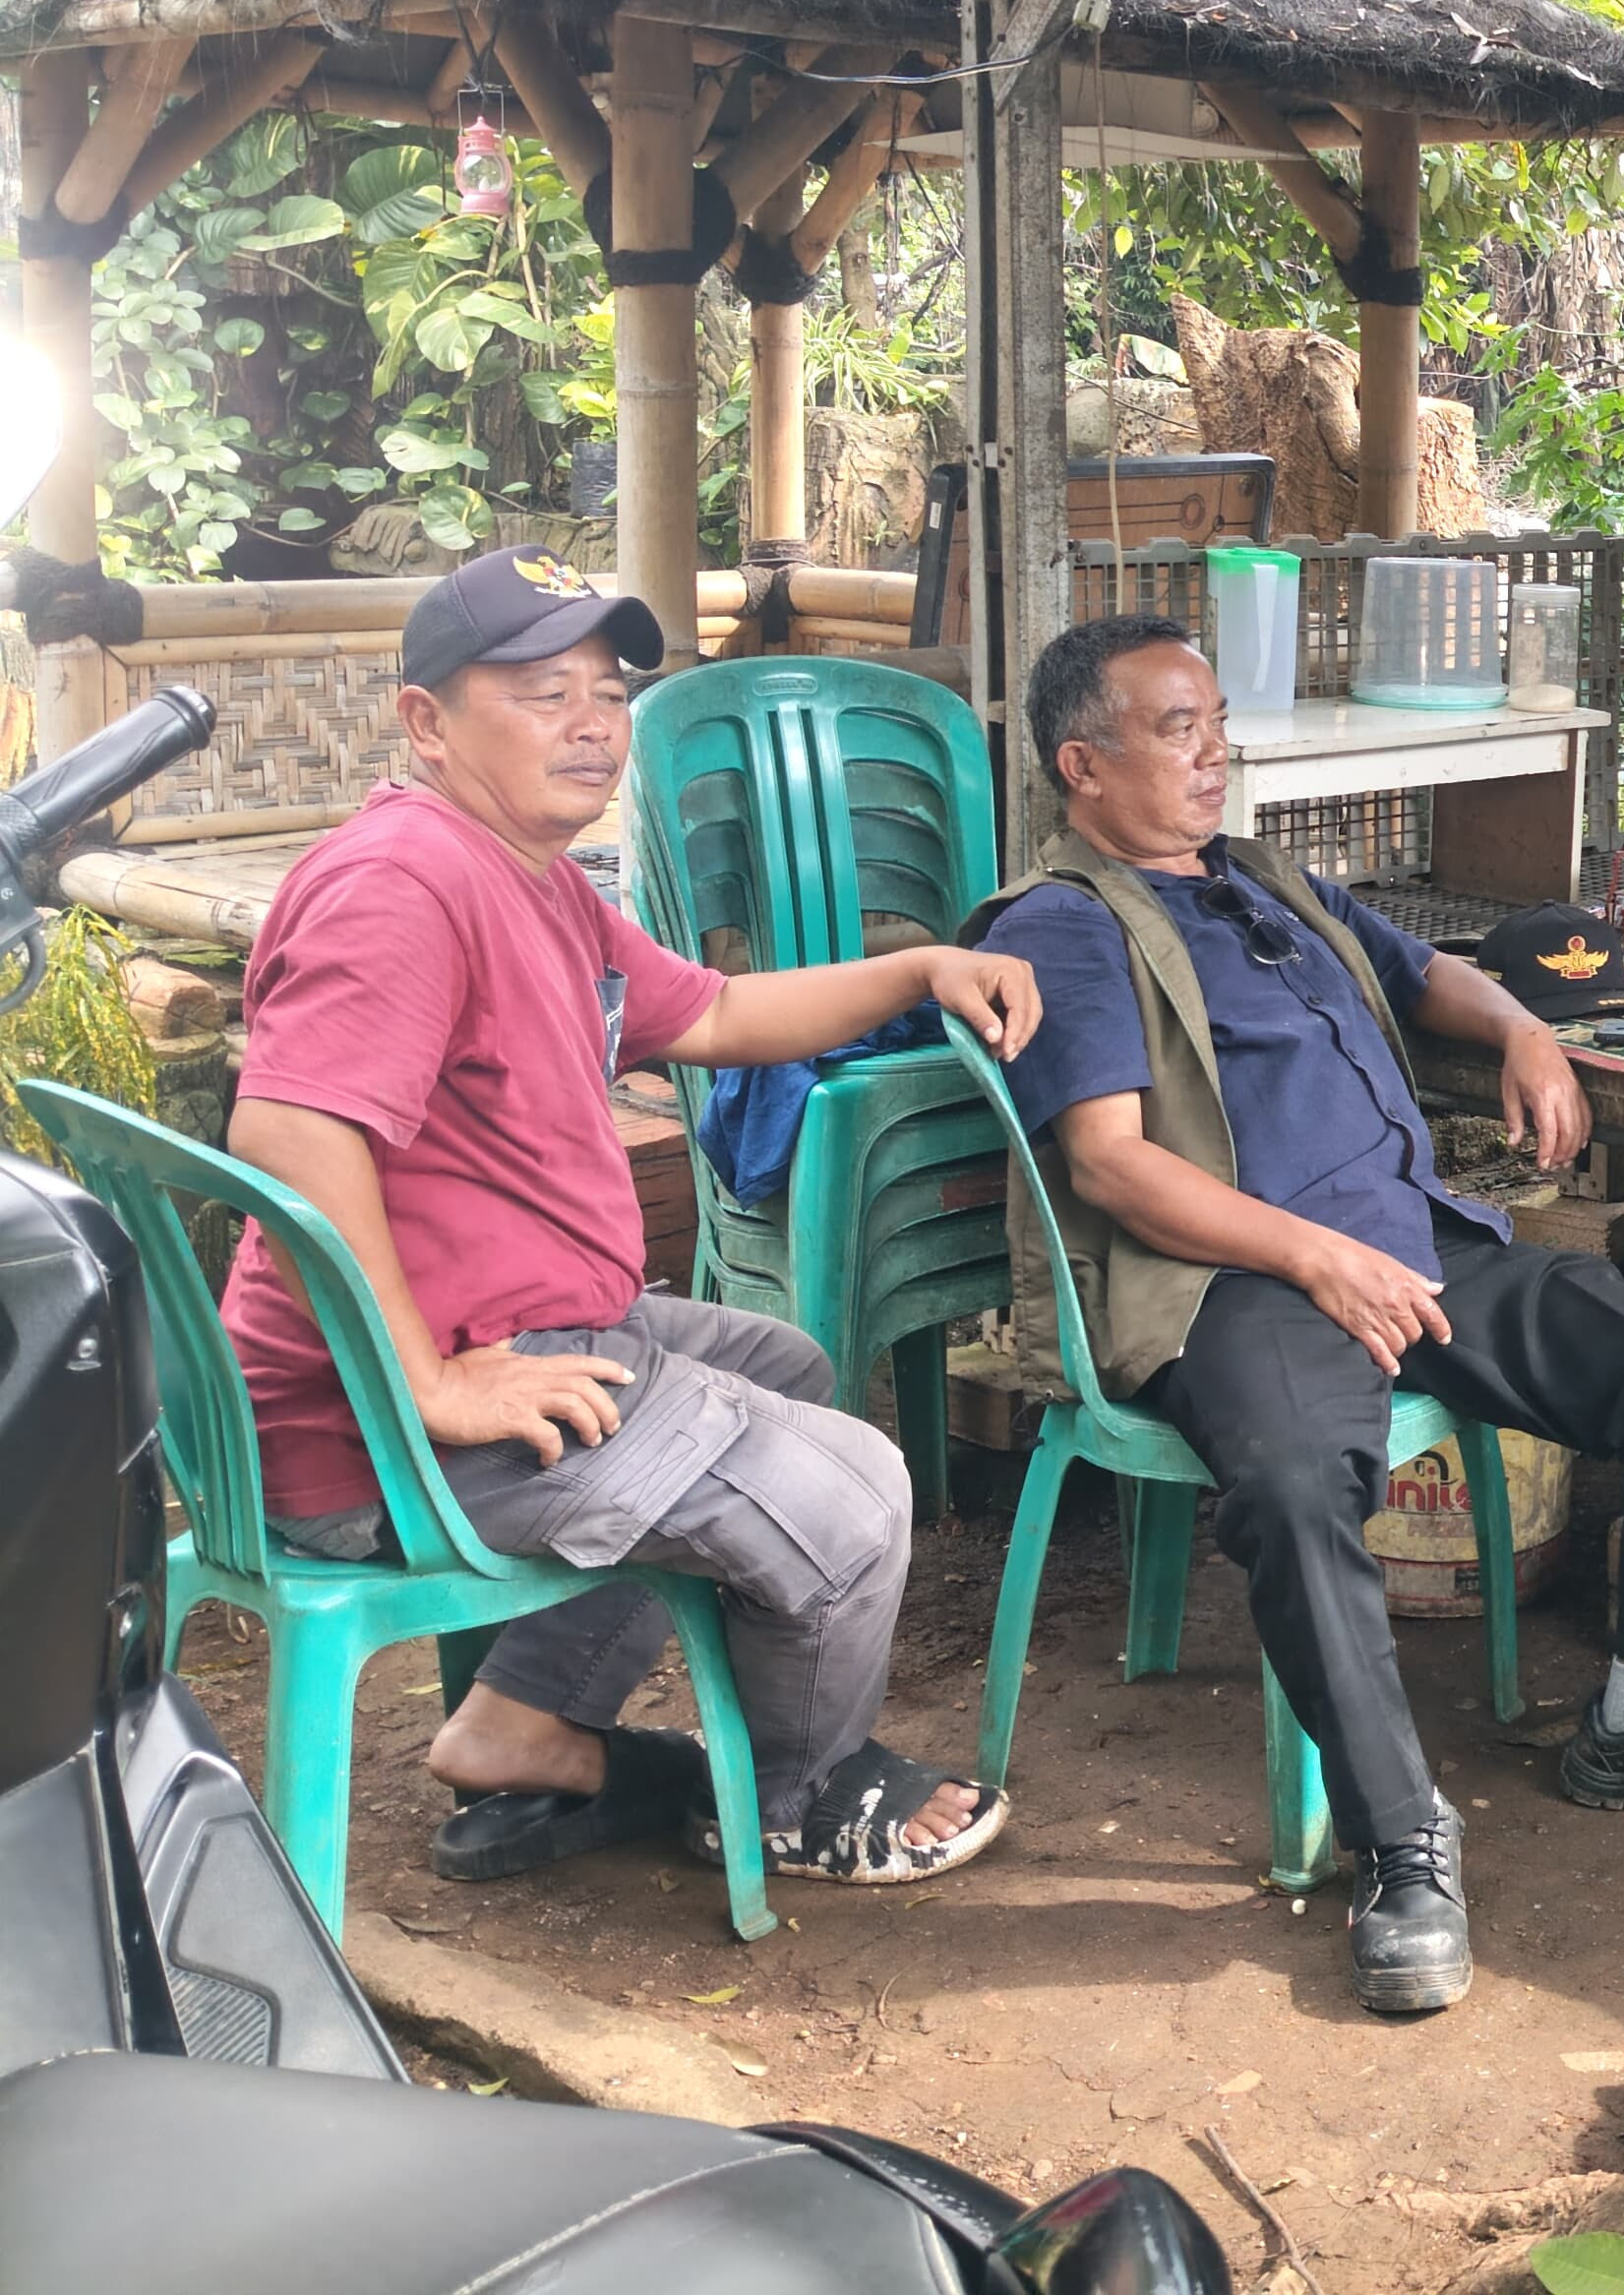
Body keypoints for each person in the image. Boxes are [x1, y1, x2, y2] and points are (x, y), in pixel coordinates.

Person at [972, 615, 1624, 2018]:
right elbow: (1114, 1167)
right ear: (1083, 766)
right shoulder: (1063, 927)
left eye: (1217, 724)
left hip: (1415, 1248)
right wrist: (1313, 1258)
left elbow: (1426, 973)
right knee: (1296, 1483)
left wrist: (1523, 1029)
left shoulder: (1263, 878)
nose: (1215, 754)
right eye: (1179, 730)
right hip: (1242, 1282)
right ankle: (1398, 1840)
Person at [222, 548, 1031, 1891]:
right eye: (544, 693)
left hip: (518, 1333)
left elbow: (713, 1013)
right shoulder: (403, 883)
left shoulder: (530, 875)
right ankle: (800, 1795)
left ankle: (522, 1723)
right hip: (372, 1428)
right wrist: (424, 1384)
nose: (592, 723)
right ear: (427, 722)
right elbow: (290, 1139)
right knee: (855, 1495)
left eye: (607, 693)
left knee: (784, 1366)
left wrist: (919, 969)